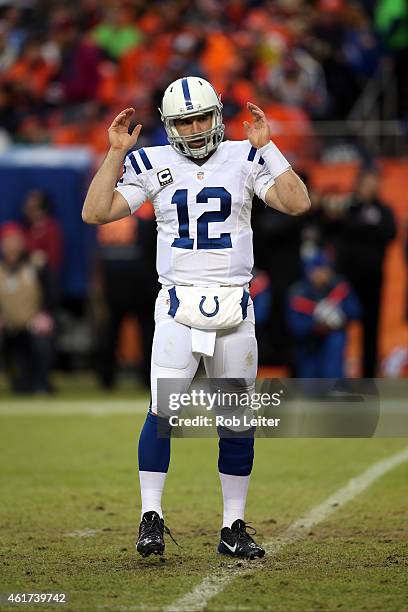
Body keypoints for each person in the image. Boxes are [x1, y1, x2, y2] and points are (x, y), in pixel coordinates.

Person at [82, 76, 310, 559]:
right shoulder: (150, 161)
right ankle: (151, 517)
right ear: (169, 125)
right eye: (184, 120)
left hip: (233, 300)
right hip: (178, 303)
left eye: (202, 117)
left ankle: (233, 526)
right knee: (163, 412)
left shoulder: (245, 157)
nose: (194, 127)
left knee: (236, 420)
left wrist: (269, 149)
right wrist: (115, 153)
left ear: (217, 115)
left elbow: (298, 203)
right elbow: (96, 213)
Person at [335, 169, 397, 377]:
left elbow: (391, 232)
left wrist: (366, 224)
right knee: (339, 325)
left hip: (373, 278)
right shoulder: (348, 206)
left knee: (371, 329)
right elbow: (343, 226)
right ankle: (337, 372)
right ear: (360, 183)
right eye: (370, 181)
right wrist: (367, 223)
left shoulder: (384, 210)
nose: (374, 186)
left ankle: (368, 376)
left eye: (376, 182)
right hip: (348, 279)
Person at [0, 221, 55, 393]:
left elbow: (51, 292)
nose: (12, 245)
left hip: (33, 321)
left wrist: (45, 314)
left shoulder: (36, 264)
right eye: (8, 241)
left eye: (15, 240)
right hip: (9, 324)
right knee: (20, 386)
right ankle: (16, 379)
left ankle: (42, 383)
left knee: (42, 342)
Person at [287, 250, 361, 378]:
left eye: (324, 268)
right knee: (310, 387)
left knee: (336, 340)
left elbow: (355, 311)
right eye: (316, 269)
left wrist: (339, 315)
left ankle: (335, 383)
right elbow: (294, 326)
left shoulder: (339, 286)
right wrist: (316, 321)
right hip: (309, 341)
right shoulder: (298, 291)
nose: (321, 273)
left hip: (332, 337)